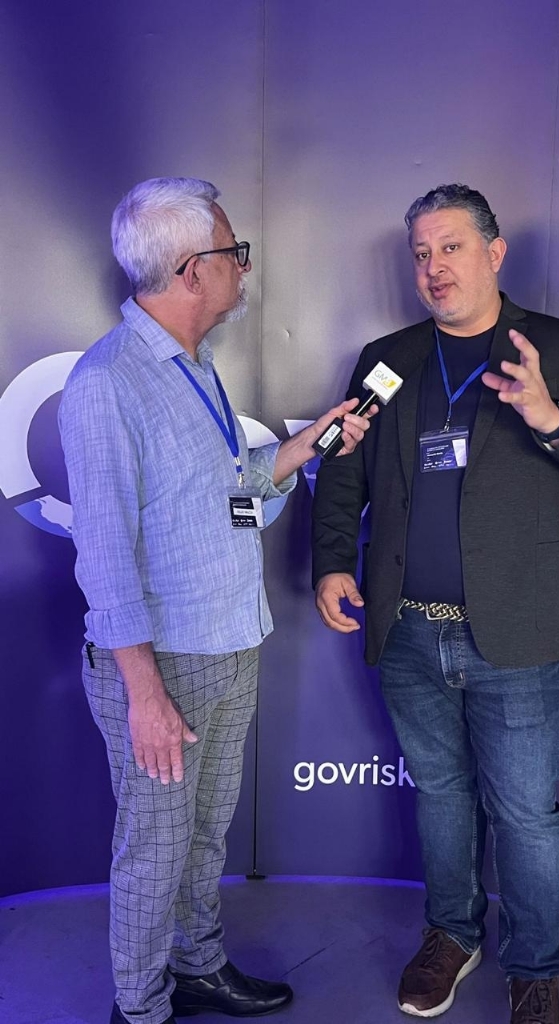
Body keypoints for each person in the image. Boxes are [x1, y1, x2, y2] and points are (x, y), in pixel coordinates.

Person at [311, 184, 559, 1024]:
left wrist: (549, 415)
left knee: (527, 815)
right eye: (421, 253)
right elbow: (343, 465)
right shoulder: (387, 359)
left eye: (451, 247)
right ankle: (452, 935)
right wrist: (332, 563)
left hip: (517, 634)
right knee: (441, 797)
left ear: (494, 253)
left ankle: (535, 969)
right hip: (407, 631)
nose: (434, 268)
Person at [59, 176, 374, 1024]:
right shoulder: (107, 383)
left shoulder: (193, 366)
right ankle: (140, 1008)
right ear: (193, 270)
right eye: (235, 252)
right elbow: (105, 559)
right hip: (162, 666)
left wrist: (300, 453)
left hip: (229, 642)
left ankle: (197, 967)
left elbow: (225, 495)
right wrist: (144, 693)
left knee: (204, 836)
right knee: (155, 849)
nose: (245, 266)